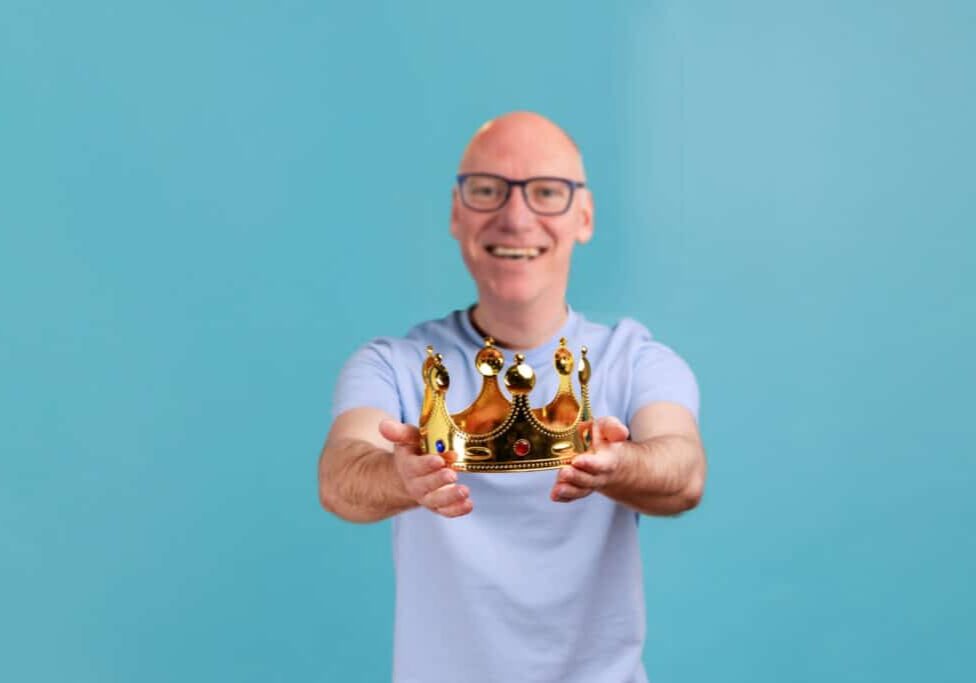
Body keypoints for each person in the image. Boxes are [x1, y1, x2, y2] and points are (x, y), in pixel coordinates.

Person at [318, 111, 707, 683]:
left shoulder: (637, 360)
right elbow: (340, 476)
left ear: (585, 216)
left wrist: (620, 463)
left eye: (546, 192)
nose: (516, 216)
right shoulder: (394, 365)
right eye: (488, 190)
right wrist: (401, 477)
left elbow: (685, 470)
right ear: (456, 212)